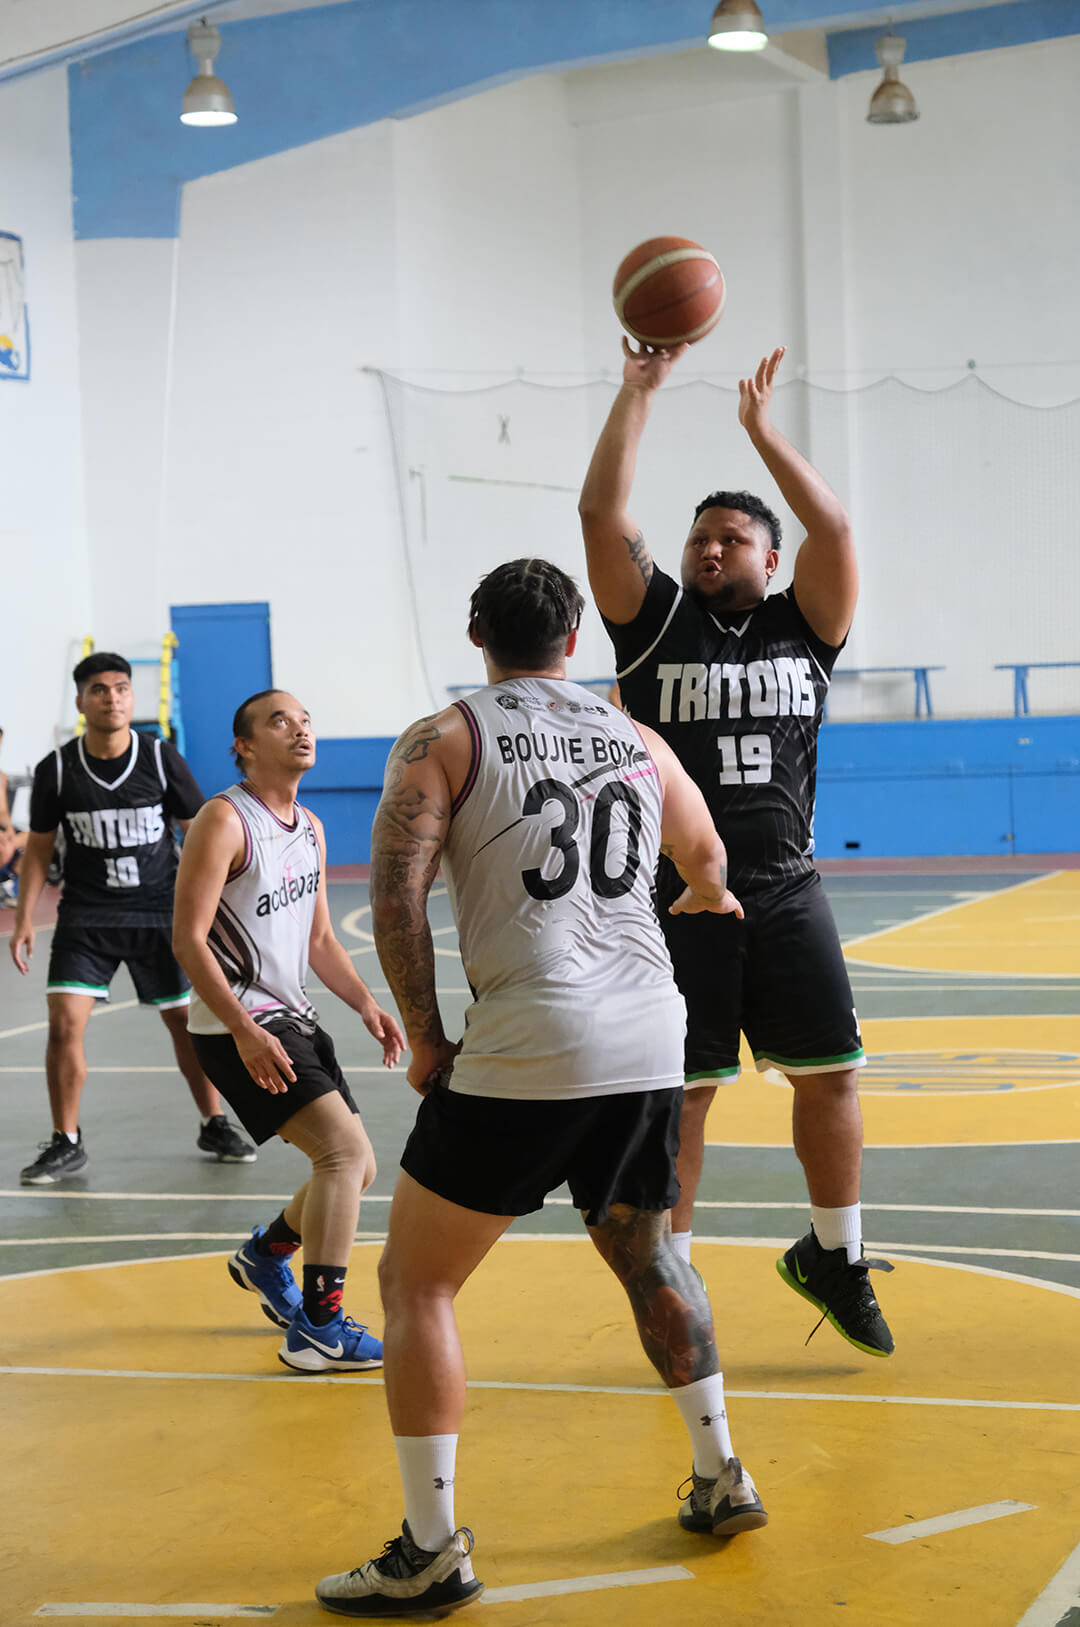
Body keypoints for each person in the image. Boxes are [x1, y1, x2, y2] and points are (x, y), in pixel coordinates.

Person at [314, 558, 766, 1620]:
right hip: (650, 1031)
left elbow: (396, 901)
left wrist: (425, 1038)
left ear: (478, 630)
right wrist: (701, 896)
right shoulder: (637, 737)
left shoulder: (445, 739)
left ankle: (431, 1547)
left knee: (417, 1285)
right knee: (649, 1249)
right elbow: (709, 861)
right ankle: (721, 1471)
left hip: (531, 1038)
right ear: (576, 638)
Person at [578, 341, 894, 1359]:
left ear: (770, 558)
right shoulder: (659, 624)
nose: (711, 550)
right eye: (699, 538)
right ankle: (672, 1275)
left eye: (732, 538)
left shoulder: (809, 625)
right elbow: (600, 518)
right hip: (675, 896)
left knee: (833, 1075)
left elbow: (836, 526)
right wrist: (638, 392)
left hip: (788, 883)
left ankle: (835, 1255)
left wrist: (763, 433)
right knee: (689, 1093)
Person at [172, 688, 406, 1373]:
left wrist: (366, 1002)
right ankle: (320, 1327)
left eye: (306, 720)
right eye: (281, 720)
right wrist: (244, 1028)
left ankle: (267, 1252)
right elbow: (188, 940)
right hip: (235, 1022)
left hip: (293, 1015)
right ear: (243, 746)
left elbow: (322, 938)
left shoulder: (308, 825)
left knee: (356, 1166)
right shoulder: (223, 818)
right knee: (339, 1153)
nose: (301, 729)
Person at [11, 654, 256, 1184]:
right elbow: (37, 849)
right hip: (87, 918)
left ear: (132, 698)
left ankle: (213, 1122)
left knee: (186, 1026)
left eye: (121, 688)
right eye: (99, 689)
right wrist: (26, 917)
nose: (112, 698)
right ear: (81, 701)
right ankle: (66, 1141)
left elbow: (201, 834)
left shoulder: (161, 758)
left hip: (160, 915)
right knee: (62, 1025)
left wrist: (221, 908)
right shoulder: (57, 768)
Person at [0, 725, 28, 906]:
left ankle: (8, 883)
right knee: (4, 847)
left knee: (36, 838)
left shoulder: (1, 776)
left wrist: (9, 830)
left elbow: (3, 811)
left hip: (2, 828)